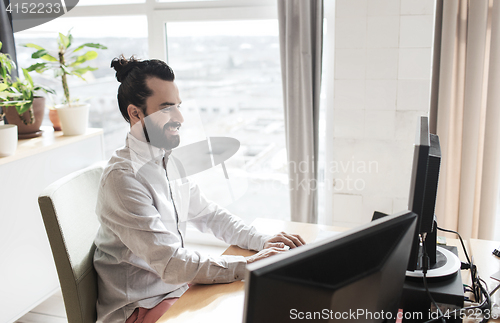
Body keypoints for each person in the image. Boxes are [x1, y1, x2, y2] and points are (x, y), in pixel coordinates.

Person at [93, 56, 306, 323]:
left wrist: (262, 240)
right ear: (136, 113)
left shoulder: (166, 159)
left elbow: (209, 215)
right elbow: (171, 263)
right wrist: (248, 265)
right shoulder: (123, 179)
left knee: (261, 299)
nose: (180, 117)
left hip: (176, 289)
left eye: (178, 106)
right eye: (167, 108)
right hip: (140, 307)